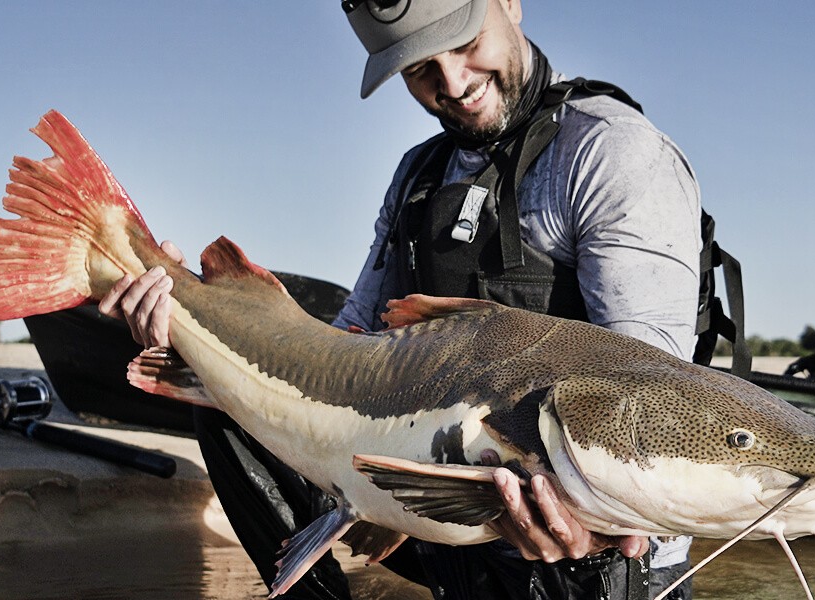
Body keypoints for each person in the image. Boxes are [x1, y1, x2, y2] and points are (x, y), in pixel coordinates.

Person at [101, 1, 704, 597]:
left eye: (467, 44)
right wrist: (189, 318)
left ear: (511, 4)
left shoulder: (612, 153)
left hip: (596, 556)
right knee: (227, 404)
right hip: (435, 517)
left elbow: (649, 400)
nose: (454, 83)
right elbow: (343, 347)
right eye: (419, 70)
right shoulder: (418, 174)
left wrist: (594, 526)